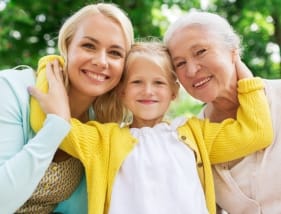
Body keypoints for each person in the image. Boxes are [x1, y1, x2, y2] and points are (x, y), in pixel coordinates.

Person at [29, 40, 273, 214]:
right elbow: (47, 123)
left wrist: (245, 76)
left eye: (158, 82)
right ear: (122, 92)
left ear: (174, 92)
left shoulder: (197, 134)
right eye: (137, 82)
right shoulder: (103, 141)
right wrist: (51, 65)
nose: (148, 91)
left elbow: (257, 133)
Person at [0, 2, 134, 213]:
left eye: (115, 53)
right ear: (67, 46)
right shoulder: (11, 89)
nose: (101, 61)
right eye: (89, 46)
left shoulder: (98, 127)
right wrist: (57, 125)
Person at [164, 11, 281, 214]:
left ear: (233, 51)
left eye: (200, 52)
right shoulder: (191, 137)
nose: (191, 70)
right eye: (180, 63)